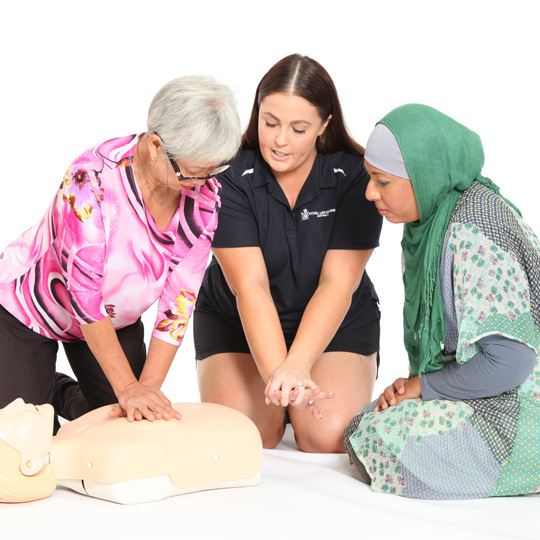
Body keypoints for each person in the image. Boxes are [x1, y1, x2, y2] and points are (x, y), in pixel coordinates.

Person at [0, 76, 241, 428]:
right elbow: (83, 292)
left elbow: (180, 299)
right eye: (191, 173)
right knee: (28, 438)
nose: (203, 184)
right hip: (32, 308)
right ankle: (32, 382)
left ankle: (59, 392)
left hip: (114, 321)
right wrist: (127, 386)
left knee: (126, 425)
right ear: (156, 146)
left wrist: (144, 391)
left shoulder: (205, 195)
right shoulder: (91, 178)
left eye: (212, 170)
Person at [344, 104, 540, 499]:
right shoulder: (434, 219)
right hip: (490, 390)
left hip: (523, 405)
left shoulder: (476, 232)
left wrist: (424, 386)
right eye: (370, 178)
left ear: (424, 175)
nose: (369, 193)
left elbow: (511, 363)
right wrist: (418, 387)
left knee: (380, 436)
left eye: (382, 181)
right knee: (362, 426)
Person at [194, 54, 383, 452]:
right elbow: (251, 287)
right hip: (238, 320)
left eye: (298, 129)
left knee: (326, 437)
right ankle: (277, 402)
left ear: (325, 125)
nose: (280, 141)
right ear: (256, 113)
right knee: (249, 437)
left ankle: (309, 383)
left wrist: (296, 366)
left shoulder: (355, 177)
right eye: (270, 123)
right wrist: (280, 374)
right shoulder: (228, 176)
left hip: (337, 323)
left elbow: (338, 282)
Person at [0, 398, 262, 504]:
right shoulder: (111, 460)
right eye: (10, 419)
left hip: (224, 424)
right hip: (233, 431)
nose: (17, 402)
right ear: (29, 465)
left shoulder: (72, 430)